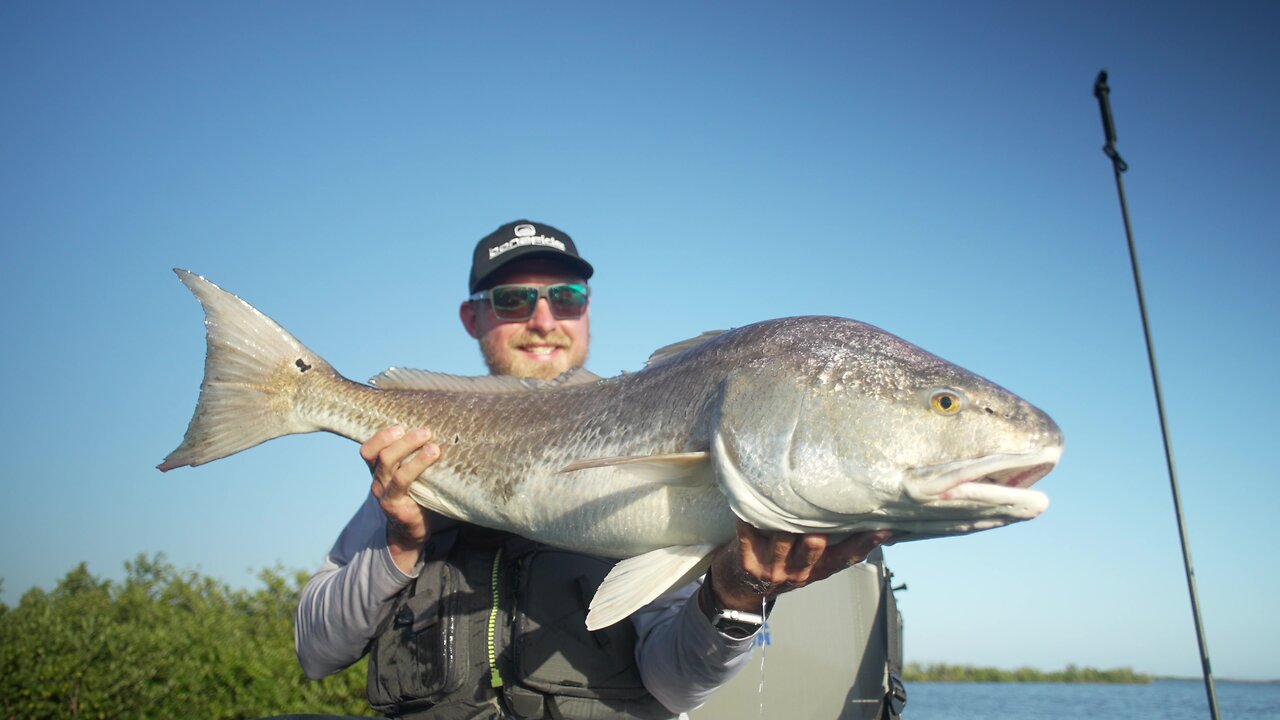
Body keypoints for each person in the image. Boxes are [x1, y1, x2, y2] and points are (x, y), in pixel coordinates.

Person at [294, 220, 892, 720]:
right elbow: (315, 651)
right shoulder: (408, 468)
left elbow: (677, 686)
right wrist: (401, 543)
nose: (543, 319)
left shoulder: (662, 441)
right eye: (512, 299)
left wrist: (737, 597)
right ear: (472, 318)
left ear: (586, 313)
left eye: (566, 298)